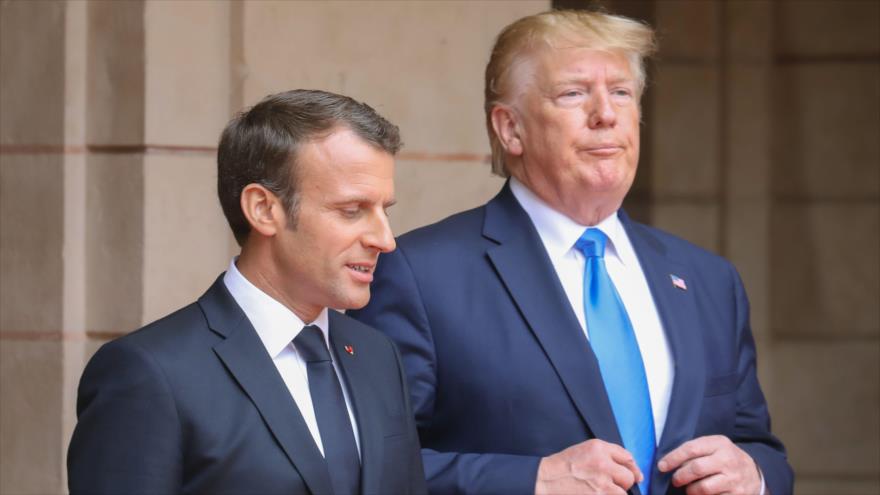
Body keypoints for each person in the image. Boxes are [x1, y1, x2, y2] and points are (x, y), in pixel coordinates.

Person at [349, 10, 793, 495]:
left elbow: (761, 449)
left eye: (621, 92)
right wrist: (529, 481)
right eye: (574, 93)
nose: (606, 114)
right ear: (510, 129)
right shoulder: (418, 274)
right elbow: (366, 467)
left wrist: (754, 474)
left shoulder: (709, 278)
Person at [68, 89, 427, 495]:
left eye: (386, 210)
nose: (385, 239)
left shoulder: (378, 356)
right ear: (262, 209)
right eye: (351, 211)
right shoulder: (150, 373)